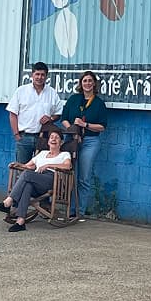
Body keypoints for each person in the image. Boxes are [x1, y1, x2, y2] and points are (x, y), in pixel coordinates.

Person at [0, 129, 72, 232]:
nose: (53, 139)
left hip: (52, 179)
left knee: (27, 175)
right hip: (37, 179)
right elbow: (28, 166)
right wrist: (18, 164)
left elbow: (67, 166)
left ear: (61, 142)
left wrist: (48, 165)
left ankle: (8, 201)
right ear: (48, 141)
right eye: (51, 137)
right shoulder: (42, 153)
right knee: (27, 186)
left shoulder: (64, 154)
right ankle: (20, 222)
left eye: (57, 138)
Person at [60, 70, 108, 218]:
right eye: (84, 81)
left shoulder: (99, 103)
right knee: (68, 174)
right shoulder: (74, 99)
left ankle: (79, 211)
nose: (87, 83)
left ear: (94, 83)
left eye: (90, 81)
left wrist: (84, 125)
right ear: (81, 83)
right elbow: (64, 118)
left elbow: (102, 127)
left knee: (83, 178)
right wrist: (73, 130)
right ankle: (67, 209)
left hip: (90, 141)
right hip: (72, 140)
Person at [6, 61, 62, 164]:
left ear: (46, 76)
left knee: (40, 170)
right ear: (32, 75)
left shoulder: (52, 93)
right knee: (21, 169)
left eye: (42, 75)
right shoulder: (21, 91)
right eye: (37, 74)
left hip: (43, 138)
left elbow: (58, 113)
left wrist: (51, 119)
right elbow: (13, 114)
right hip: (24, 137)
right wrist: (16, 135)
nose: (39, 77)